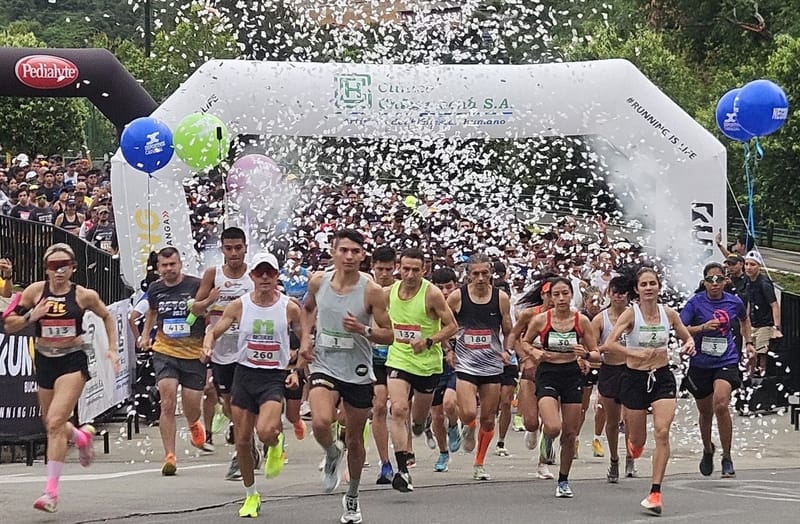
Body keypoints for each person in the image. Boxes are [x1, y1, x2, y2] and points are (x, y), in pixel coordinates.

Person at [3, 243, 120, 513]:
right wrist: (33, 315)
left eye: (64, 265)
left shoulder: (83, 296)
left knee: (55, 421)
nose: (58, 271)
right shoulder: (35, 292)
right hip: (44, 359)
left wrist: (112, 349)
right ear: (46, 269)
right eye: (53, 266)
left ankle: (51, 493)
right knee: (51, 423)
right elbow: (9, 324)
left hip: (72, 360)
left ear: (73, 268)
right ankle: (80, 437)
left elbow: (107, 317)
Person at [203, 252, 309, 518]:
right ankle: (251, 495)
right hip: (245, 374)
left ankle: (275, 441)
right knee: (241, 441)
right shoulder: (239, 305)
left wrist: (299, 361)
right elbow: (216, 329)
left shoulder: (289, 306)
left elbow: (304, 334)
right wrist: (208, 342)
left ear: (276, 276)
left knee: (265, 431)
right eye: (259, 273)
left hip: (273, 376)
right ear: (252, 277)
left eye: (269, 273)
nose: (264, 277)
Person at [301, 229, 393, 524]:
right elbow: (307, 309)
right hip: (324, 364)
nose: (349, 256)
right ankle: (330, 453)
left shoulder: (371, 290)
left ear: (363, 255)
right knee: (320, 421)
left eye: (355, 251)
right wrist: (305, 338)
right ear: (333, 252)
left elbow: (389, 334)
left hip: (358, 370)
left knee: (354, 439)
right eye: (344, 250)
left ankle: (352, 496)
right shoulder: (318, 281)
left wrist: (363, 330)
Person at [604, 267, 695, 515]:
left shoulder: (669, 314)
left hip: (662, 377)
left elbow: (687, 338)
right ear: (636, 289)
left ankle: (655, 492)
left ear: (658, 287)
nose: (648, 288)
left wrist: (688, 345)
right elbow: (609, 344)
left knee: (663, 432)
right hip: (634, 378)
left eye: (652, 283)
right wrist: (633, 353)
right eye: (643, 284)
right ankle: (634, 449)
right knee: (637, 440)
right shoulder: (630, 315)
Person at [520, 277, 600, 498]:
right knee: (553, 426)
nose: (562, 298)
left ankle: (563, 480)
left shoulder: (581, 321)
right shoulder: (541, 320)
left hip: (572, 375)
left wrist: (585, 354)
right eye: (556, 294)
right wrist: (534, 352)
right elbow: (525, 342)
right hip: (547, 373)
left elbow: (596, 354)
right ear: (550, 297)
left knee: (569, 433)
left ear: (572, 295)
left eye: (565, 293)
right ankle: (546, 439)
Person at [385, 248, 458, 492]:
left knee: (415, 421)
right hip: (398, 359)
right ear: (399, 267)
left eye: (416, 270)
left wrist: (428, 341)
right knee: (397, 409)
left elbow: (452, 327)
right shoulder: (390, 292)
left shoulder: (432, 294)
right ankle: (402, 470)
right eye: (405, 268)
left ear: (423, 270)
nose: (410, 274)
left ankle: (421, 424)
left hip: (427, 365)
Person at [140, 247, 208, 475]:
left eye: (173, 265)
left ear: (180, 264)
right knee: (167, 400)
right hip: (165, 350)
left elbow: (207, 313)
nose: (169, 269)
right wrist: (144, 335)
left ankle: (193, 424)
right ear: (158, 267)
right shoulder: (155, 288)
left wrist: (209, 342)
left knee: (191, 407)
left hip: (193, 353)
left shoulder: (195, 285)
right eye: (164, 265)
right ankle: (170, 455)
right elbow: (151, 312)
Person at [193, 227, 254, 479]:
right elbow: (195, 310)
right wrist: (209, 301)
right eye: (228, 248)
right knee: (229, 405)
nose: (233, 253)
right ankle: (247, 445)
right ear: (222, 250)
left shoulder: (254, 275)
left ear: (245, 248)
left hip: (248, 350)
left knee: (242, 405)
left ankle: (242, 454)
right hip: (220, 352)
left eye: (238, 248)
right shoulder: (212, 275)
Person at [681, 262, 751, 479]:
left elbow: (744, 319)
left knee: (721, 403)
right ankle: (708, 449)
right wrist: (702, 328)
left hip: (726, 359)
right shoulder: (695, 303)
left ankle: (727, 456)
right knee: (705, 412)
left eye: (718, 279)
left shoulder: (734, 301)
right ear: (704, 282)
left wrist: (748, 342)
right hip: (700, 363)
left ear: (725, 281)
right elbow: (680, 329)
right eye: (710, 280)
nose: (714, 284)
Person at [446, 253, 513, 481]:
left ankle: (479, 462)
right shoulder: (457, 297)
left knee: (488, 417)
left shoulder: (501, 298)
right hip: (465, 363)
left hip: (492, 364)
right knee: (467, 412)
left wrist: (508, 350)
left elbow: (509, 330)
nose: (481, 278)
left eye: (485, 273)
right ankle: (468, 426)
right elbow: (443, 324)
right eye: (476, 274)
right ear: (468, 276)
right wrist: (448, 349)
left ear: (491, 274)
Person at [591, 276, 636, 482]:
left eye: (623, 292)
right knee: (611, 419)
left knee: (629, 419)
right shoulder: (600, 319)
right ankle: (614, 459)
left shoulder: (636, 316)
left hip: (631, 370)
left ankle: (630, 457)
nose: (619, 296)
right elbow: (592, 349)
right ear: (608, 293)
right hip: (609, 370)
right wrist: (597, 353)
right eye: (615, 292)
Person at [429, 267, 463, 472]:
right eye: (439, 287)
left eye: (448, 287)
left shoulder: (463, 306)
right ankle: (443, 453)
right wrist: (446, 348)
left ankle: (454, 425)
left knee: (449, 403)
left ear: (455, 286)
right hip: (436, 361)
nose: (444, 292)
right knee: (436, 414)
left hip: (461, 363)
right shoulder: (431, 308)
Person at [369, 245, 396, 484]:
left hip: (400, 356)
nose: (384, 273)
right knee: (379, 407)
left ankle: (404, 455)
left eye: (388, 269)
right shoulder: (365, 290)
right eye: (380, 269)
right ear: (372, 268)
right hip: (374, 357)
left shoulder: (403, 290)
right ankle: (385, 463)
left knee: (399, 409)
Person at [743, 250, 782, 376]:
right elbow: (749, 301)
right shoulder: (748, 281)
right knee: (750, 351)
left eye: (752, 264)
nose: (748, 267)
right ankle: (750, 374)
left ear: (758, 266)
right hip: (753, 323)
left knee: (762, 352)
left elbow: (774, 305)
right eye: (747, 264)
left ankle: (762, 374)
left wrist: (776, 327)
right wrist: (745, 320)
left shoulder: (764, 283)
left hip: (765, 323)